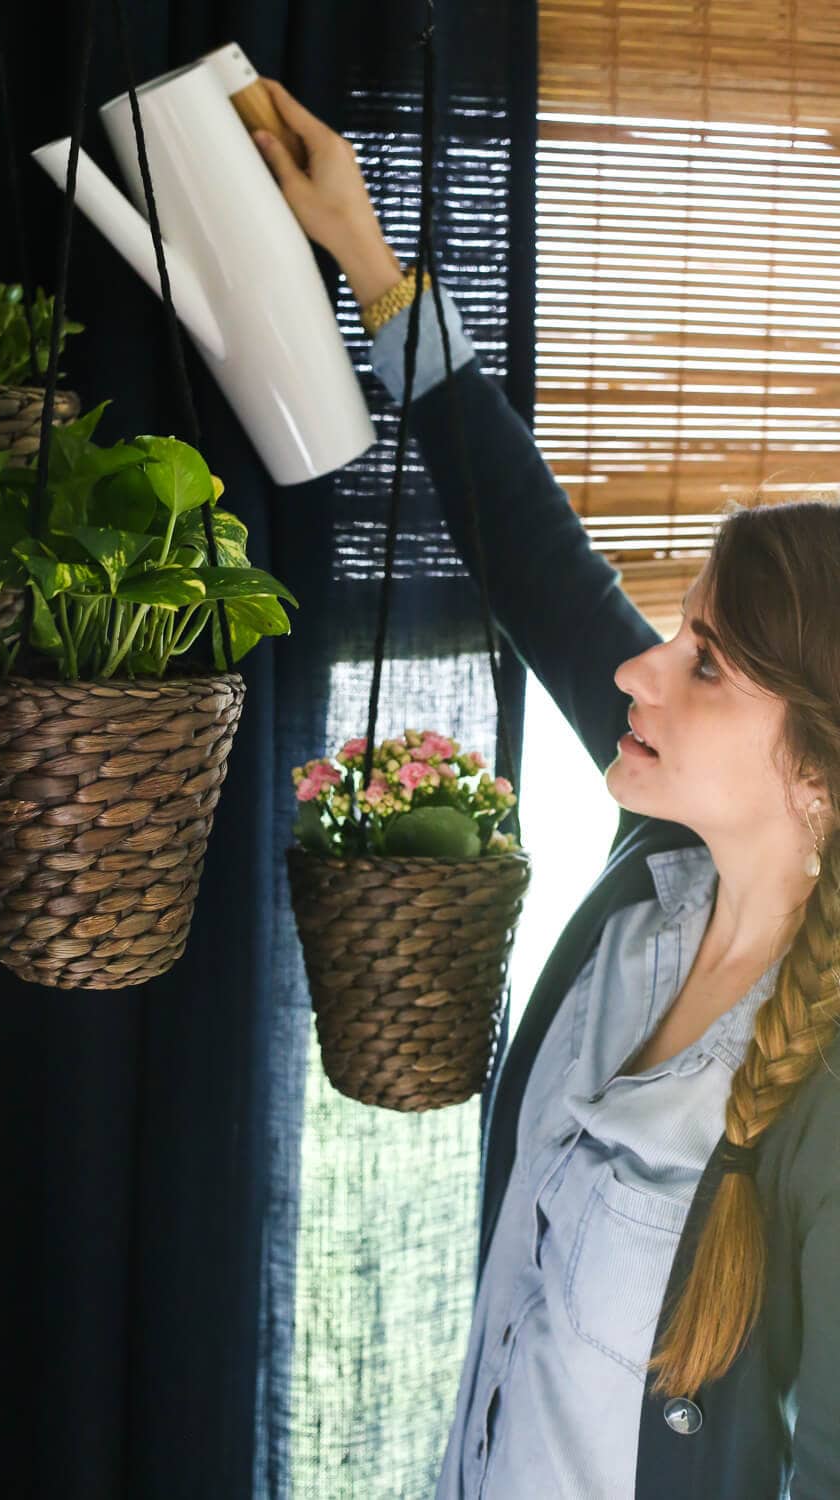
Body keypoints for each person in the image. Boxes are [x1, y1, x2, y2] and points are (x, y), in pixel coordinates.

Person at [253, 78, 840, 1500]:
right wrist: (375, 267)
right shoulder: (657, 876)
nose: (643, 672)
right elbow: (534, 559)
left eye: (704, 663)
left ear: (818, 770)